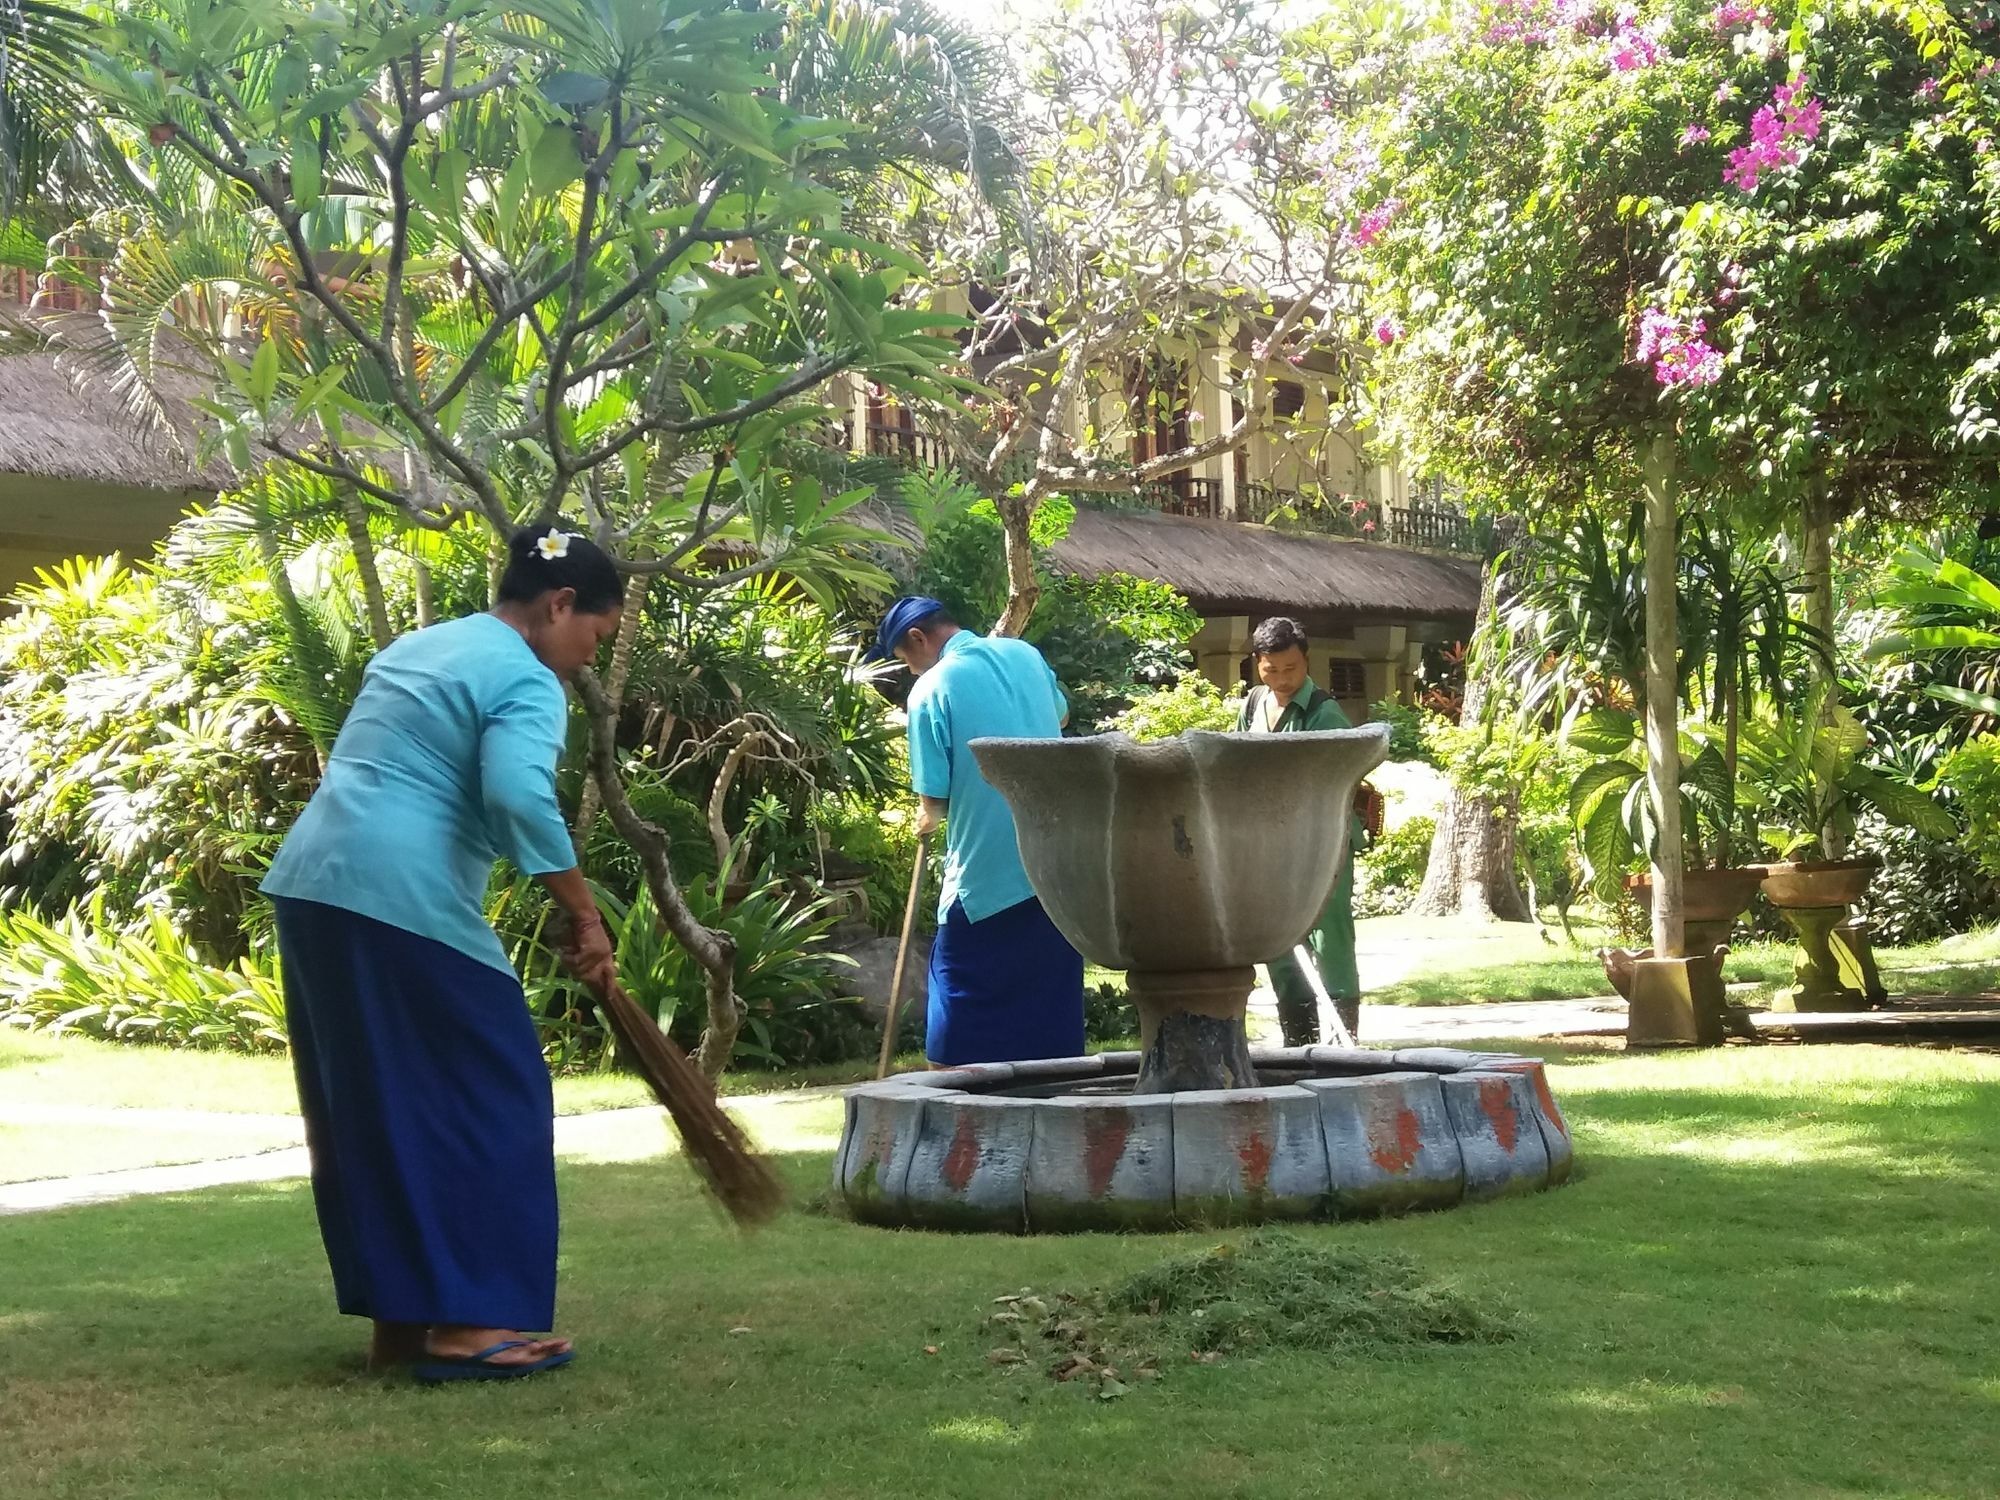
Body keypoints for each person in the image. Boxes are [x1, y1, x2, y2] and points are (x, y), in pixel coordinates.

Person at [260, 525, 624, 1383]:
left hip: (313, 884)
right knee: (496, 1093)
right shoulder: (528, 680)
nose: (586, 658)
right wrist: (584, 913)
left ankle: (404, 1324)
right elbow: (516, 796)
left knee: (371, 1108)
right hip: (400, 897)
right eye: (593, 637)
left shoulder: (419, 648)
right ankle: (470, 1323)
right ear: (560, 604)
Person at [866, 596, 1086, 1065]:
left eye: (904, 659)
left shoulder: (931, 689)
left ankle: (953, 1130)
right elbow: (1061, 715)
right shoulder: (1023, 652)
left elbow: (935, 800)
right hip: (1058, 872)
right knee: (1051, 1039)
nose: (908, 671)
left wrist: (925, 818)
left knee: (955, 1032)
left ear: (918, 639)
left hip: (985, 881)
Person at [1238, 616, 1365, 1045]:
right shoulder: (1253, 703)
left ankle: (1343, 1035)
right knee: (1279, 933)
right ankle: (1298, 1039)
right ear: (1257, 664)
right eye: (1271, 669)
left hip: (1322, 840)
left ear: (1306, 661)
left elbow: (1342, 778)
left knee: (1329, 933)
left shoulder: (1324, 712)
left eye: (1290, 669)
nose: (1282, 679)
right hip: (1270, 842)